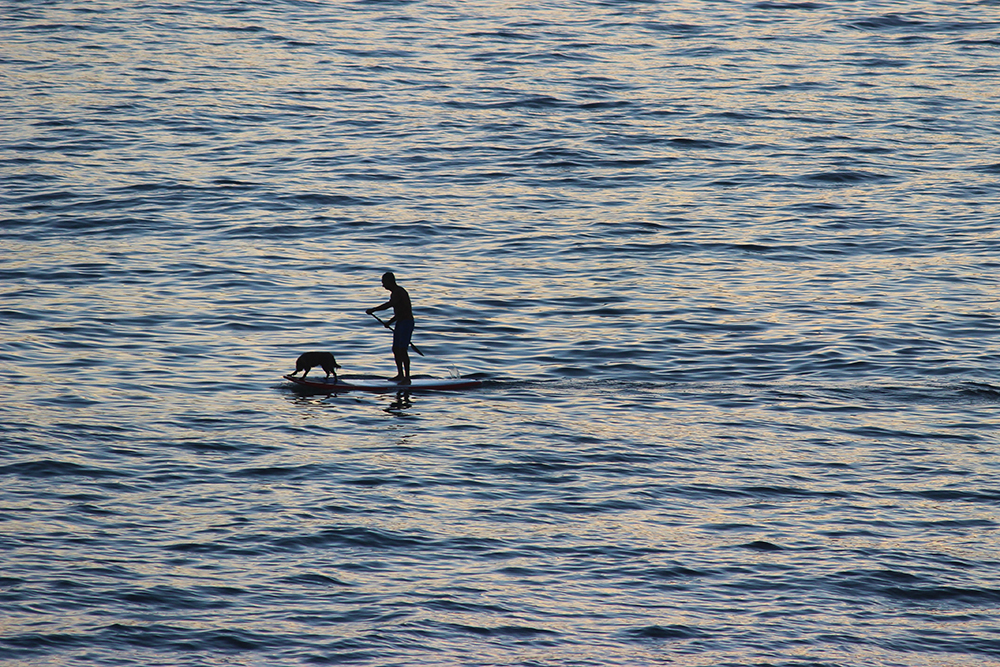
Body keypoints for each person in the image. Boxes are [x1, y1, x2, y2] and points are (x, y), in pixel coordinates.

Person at [366, 272, 414, 383]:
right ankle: (400, 375)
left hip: (406, 323)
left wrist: (373, 309)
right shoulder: (395, 293)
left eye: (384, 283)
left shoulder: (398, 292)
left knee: (402, 350)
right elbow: (399, 311)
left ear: (389, 281)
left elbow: (390, 305)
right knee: (396, 349)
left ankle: (407, 377)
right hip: (400, 322)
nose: (383, 285)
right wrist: (390, 322)